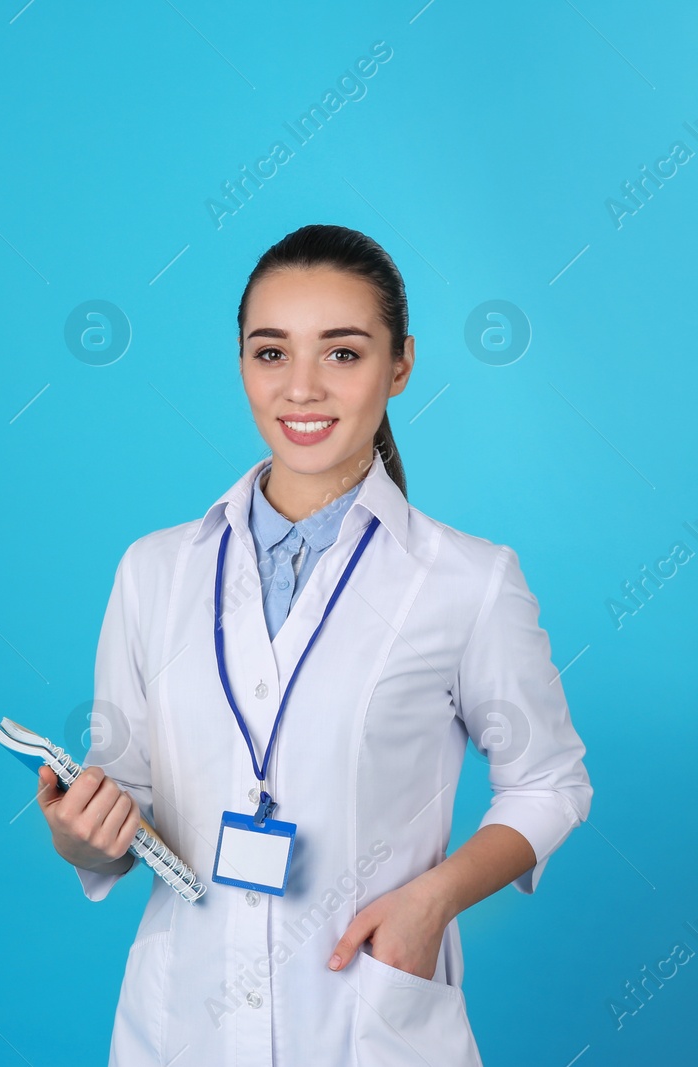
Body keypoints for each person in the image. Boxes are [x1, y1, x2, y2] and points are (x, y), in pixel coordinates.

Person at [35, 223, 592, 1066]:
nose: (301, 389)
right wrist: (84, 834)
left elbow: (550, 784)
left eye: (342, 353)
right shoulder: (154, 571)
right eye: (270, 353)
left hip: (369, 1023)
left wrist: (433, 899)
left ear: (400, 364)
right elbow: (131, 790)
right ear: (241, 364)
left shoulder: (467, 581)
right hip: (182, 1027)